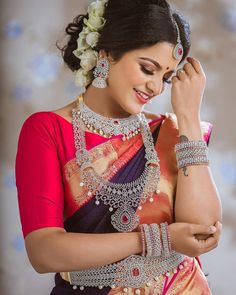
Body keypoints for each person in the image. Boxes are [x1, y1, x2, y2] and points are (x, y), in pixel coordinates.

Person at [15, 0, 222, 294]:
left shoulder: (171, 130)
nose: (156, 88)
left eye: (166, 77)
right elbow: (44, 251)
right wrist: (158, 239)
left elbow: (202, 230)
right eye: (147, 68)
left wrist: (188, 118)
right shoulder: (47, 130)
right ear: (107, 52)